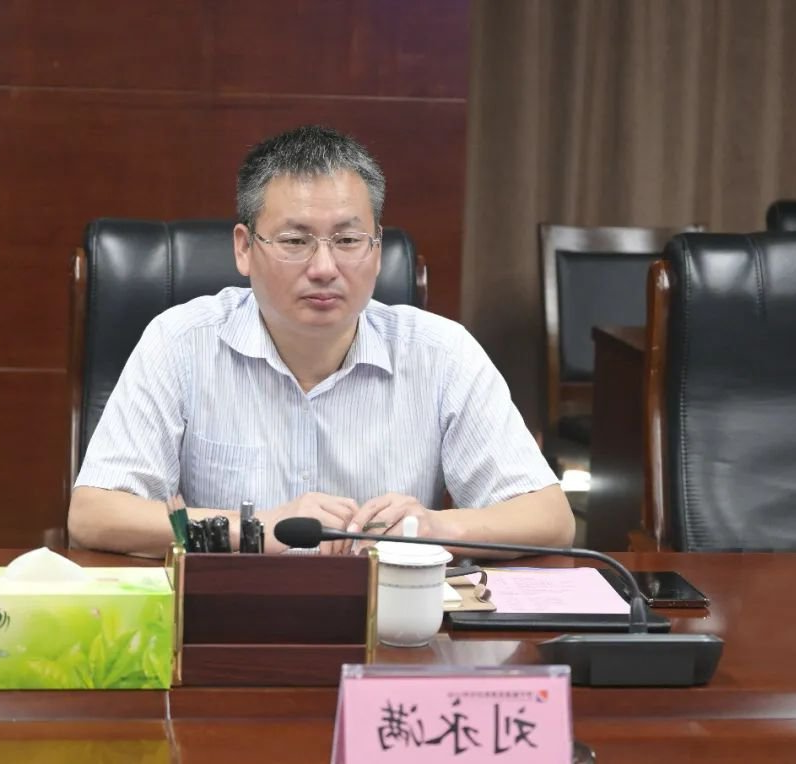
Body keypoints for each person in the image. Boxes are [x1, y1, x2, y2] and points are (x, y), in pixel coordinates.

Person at [69, 125, 573, 557]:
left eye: (348, 240)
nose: (325, 268)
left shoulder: (441, 353)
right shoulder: (181, 343)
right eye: (295, 241)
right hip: (228, 615)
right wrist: (256, 530)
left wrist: (433, 528)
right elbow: (94, 515)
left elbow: (550, 519)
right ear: (244, 249)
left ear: (377, 250)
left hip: (387, 622)